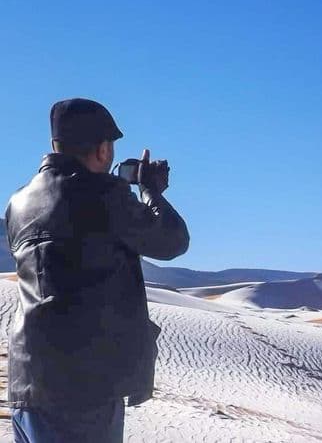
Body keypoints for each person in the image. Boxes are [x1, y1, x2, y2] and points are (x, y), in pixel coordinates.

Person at [3, 98, 190, 442]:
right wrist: (151, 191)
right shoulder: (103, 195)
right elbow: (172, 240)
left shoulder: (18, 203)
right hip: (83, 390)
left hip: (26, 385)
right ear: (103, 149)